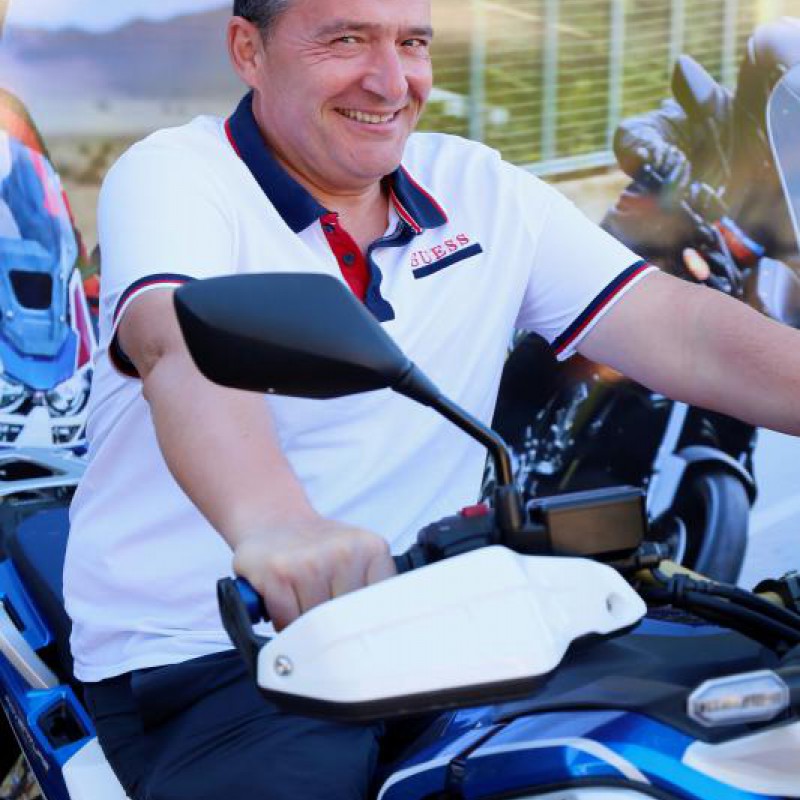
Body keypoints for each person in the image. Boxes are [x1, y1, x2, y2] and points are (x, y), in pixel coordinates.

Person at [64, 1, 800, 798]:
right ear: (249, 49)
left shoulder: (476, 188)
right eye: (346, 40)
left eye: (411, 43)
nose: (390, 82)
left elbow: (684, 329)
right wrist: (278, 525)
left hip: (448, 622)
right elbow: (175, 341)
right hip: (226, 655)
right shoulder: (180, 174)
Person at [602, 17, 800, 270]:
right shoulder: (714, 117)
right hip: (662, 261)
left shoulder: (791, 166)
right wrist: (662, 158)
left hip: (738, 285)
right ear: (764, 88)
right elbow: (635, 131)